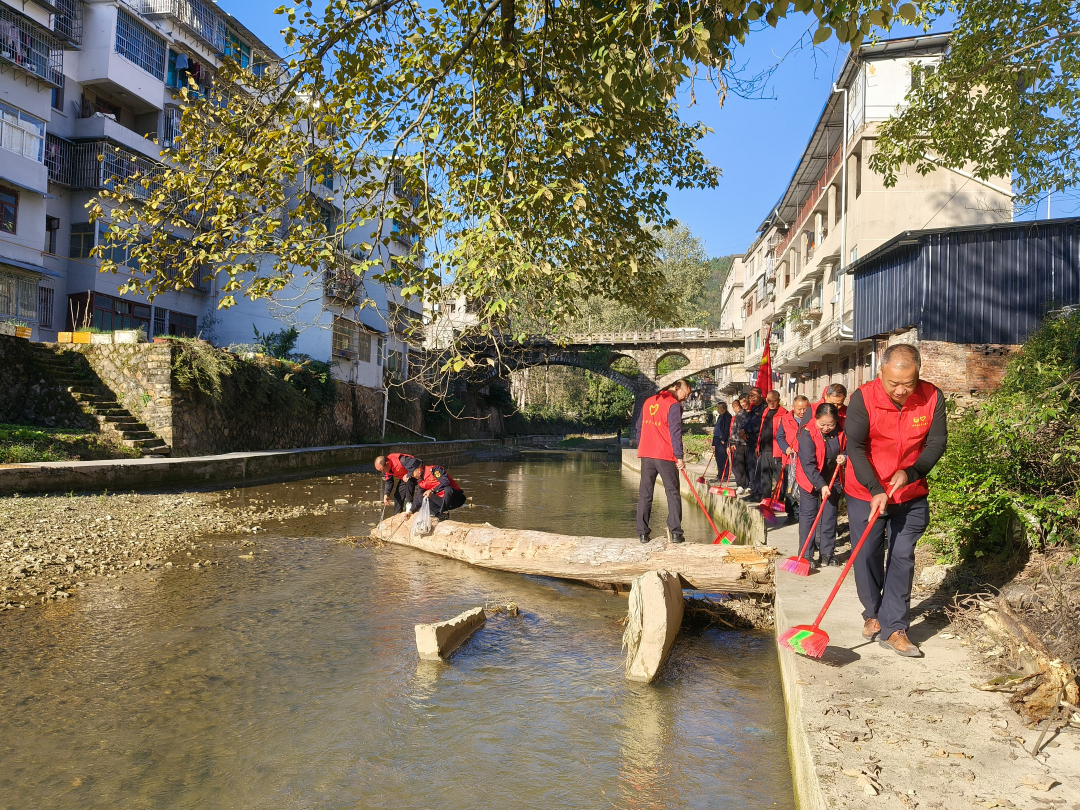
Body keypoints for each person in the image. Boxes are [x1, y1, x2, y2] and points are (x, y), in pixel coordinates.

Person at [845, 344, 947, 658]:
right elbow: (855, 446)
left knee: (902, 556)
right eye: (894, 384)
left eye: (909, 383)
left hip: (910, 493)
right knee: (867, 554)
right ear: (881, 373)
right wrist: (875, 487)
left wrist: (912, 471)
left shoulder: (932, 397)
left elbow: (937, 441)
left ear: (918, 374)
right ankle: (873, 612)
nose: (902, 390)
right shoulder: (863, 398)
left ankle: (895, 627)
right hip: (866, 492)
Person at [635, 378, 692, 544]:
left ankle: (643, 534)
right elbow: (675, 431)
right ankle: (676, 533)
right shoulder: (673, 404)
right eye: (685, 394)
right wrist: (679, 456)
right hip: (664, 454)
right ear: (676, 388)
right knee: (673, 493)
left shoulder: (648, 402)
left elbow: (639, 427)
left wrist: (642, 446)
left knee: (645, 494)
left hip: (647, 454)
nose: (685, 398)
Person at [795, 402, 847, 567]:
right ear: (815, 419)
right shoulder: (806, 432)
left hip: (833, 478)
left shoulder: (841, 430)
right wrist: (821, 485)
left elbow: (849, 448)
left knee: (829, 516)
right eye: (822, 424)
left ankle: (827, 553)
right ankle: (807, 555)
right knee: (808, 516)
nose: (826, 428)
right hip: (809, 478)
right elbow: (808, 464)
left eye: (830, 424)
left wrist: (844, 456)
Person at [778, 395, 812, 516]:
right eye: (799, 409)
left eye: (805, 408)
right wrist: (785, 448)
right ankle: (792, 513)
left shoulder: (812, 419)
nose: (802, 412)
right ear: (793, 407)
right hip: (790, 458)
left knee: (805, 486)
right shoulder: (785, 419)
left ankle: (805, 512)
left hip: (807, 458)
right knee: (789, 487)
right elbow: (780, 437)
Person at [756, 390, 788, 507]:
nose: (771, 403)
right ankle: (766, 499)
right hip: (765, 449)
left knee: (780, 477)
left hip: (777, 451)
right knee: (765, 476)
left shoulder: (784, 414)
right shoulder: (765, 411)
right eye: (769, 401)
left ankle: (779, 499)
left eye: (773, 401)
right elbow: (762, 430)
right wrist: (758, 445)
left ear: (778, 401)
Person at [741, 387, 766, 501]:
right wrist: (742, 430)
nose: (752, 398)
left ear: (761, 395)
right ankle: (753, 490)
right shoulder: (753, 408)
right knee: (751, 466)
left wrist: (747, 431)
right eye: (750, 395)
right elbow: (746, 422)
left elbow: (758, 425)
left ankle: (759, 493)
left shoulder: (763, 408)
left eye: (754, 395)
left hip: (758, 441)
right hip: (749, 441)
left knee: (757, 467)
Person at [730, 398, 749, 493]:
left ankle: (745, 484)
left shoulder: (748, 414)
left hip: (746, 442)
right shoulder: (738, 416)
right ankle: (742, 484)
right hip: (739, 442)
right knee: (740, 464)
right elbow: (733, 429)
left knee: (746, 464)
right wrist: (732, 442)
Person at [712, 401, 732, 480]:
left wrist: (724, 439)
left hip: (721, 439)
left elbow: (727, 428)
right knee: (718, 458)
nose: (717, 409)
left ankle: (725, 475)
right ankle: (720, 474)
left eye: (718, 407)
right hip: (717, 439)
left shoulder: (727, 416)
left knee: (723, 458)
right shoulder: (720, 416)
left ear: (722, 408)